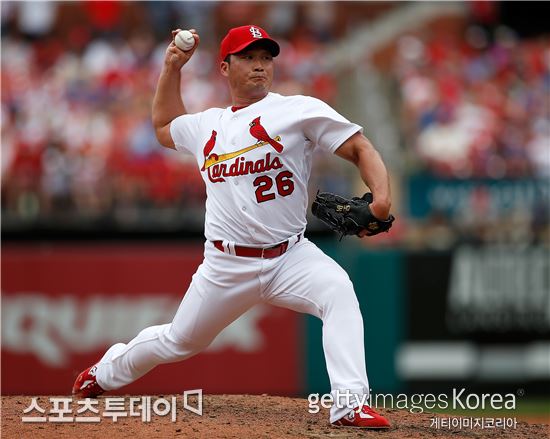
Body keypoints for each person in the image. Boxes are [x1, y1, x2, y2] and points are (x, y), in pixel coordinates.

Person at [73, 25, 393, 429]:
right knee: (178, 341)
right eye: (248, 57)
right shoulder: (207, 125)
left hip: (290, 255)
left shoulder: (298, 110)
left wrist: (381, 200)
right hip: (226, 265)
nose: (260, 65)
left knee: (338, 292)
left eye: (266, 58)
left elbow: (360, 147)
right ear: (224, 67)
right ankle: (104, 374)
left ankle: (349, 405)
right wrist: (172, 67)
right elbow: (164, 126)